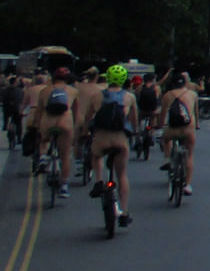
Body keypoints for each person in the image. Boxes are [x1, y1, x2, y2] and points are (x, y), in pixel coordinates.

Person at [85, 65, 138, 224]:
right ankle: (124, 212)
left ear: (107, 78)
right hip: (120, 139)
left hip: (101, 137)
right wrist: (134, 133)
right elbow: (134, 120)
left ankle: (99, 181)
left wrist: (85, 131)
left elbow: (88, 118)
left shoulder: (97, 96)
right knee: (121, 175)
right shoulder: (129, 97)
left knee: (96, 156)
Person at [34, 70, 77, 199]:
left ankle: (43, 158)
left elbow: (39, 111)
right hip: (65, 123)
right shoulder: (73, 91)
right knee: (65, 156)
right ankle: (64, 186)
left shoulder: (44, 91)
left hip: (48, 122)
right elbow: (77, 113)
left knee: (44, 140)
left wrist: (37, 126)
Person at [157, 72, 199, 194]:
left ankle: (167, 158)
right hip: (188, 129)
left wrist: (160, 126)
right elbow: (196, 112)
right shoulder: (193, 95)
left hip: (173, 129)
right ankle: (188, 185)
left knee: (165, 139)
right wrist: (197, 125)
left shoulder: (167, 95)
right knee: (189, 155)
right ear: (185, 83)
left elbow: (162, 115)